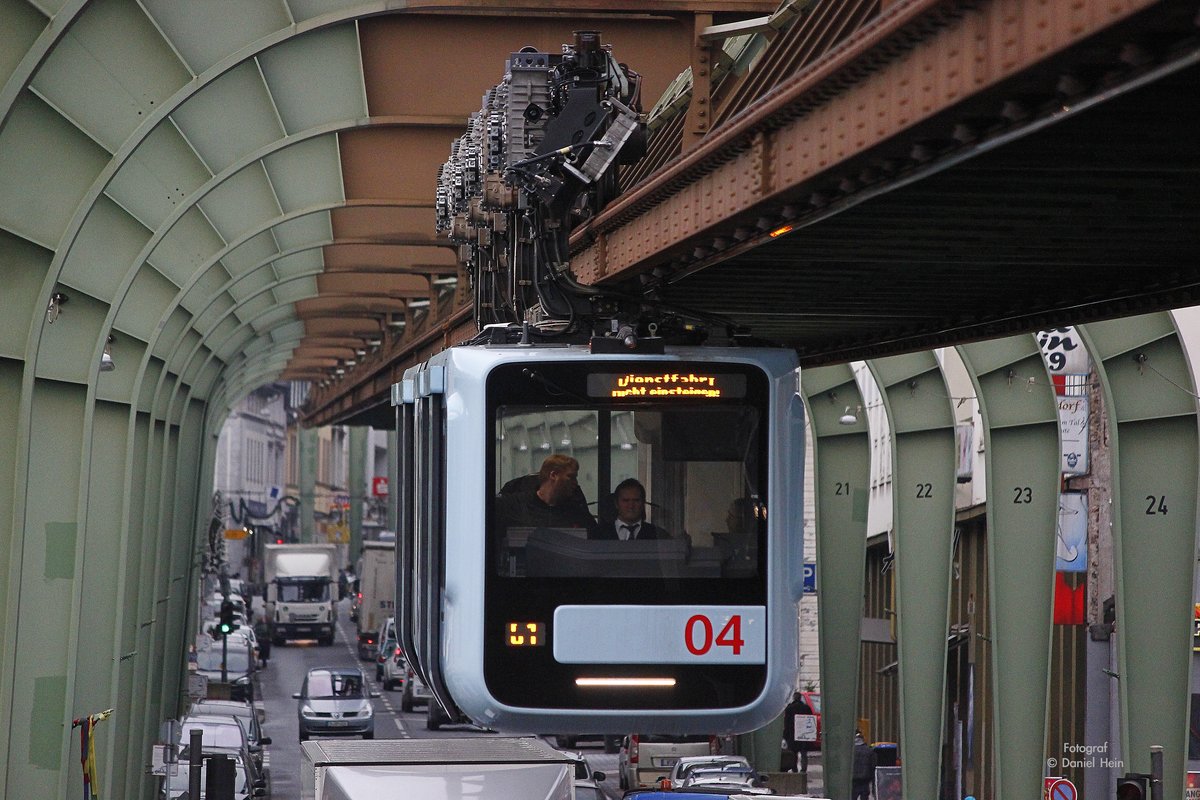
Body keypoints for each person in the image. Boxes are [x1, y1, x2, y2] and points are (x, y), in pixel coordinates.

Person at [496, 454, 597, 536]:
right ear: (553, 475)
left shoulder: (576, 513)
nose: (575, 483)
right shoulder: (515, 505)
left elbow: (598, 540)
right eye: (570, 477)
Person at [593, 478, 663, 540]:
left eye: (636, 500)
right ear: (616, 504)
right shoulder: (598, 534)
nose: (631, 506)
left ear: (643, 503)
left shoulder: (657, 534)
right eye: (626, 500)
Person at [781, 690, 815, 773]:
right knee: (804, 753)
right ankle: (803, 769)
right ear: (800, 698)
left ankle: (794, 769)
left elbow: (786, 722)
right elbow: (810, 721)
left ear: (793, 698)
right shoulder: (806, 708)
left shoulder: (789, 708)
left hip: (792, 735)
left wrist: (785, 735)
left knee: (793, 753)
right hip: (804, 735)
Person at [852, 729, 877, 800]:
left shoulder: (851, 752)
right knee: (864, 796)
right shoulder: (869, 751)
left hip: (853, 780)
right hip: (865, 779)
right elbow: (873, 767)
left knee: (852, 796)